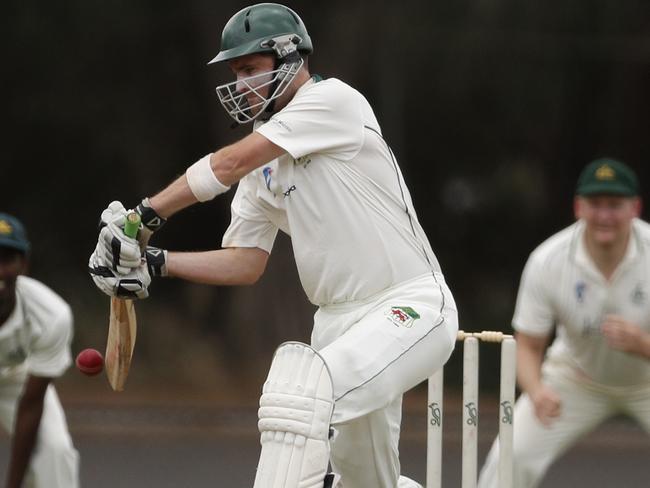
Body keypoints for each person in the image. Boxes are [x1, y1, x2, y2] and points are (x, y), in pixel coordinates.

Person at [87, 3, 458, 487]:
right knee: (368, 482)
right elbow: (245, 262)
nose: (240, 84)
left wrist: (142, 218)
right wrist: (156, 262)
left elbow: (225, 165)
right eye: (235, 72)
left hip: (410, 305)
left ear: (288, 58)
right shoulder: (264, 163)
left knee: (299, 396)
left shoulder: (333, 102)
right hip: (336, 327)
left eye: (248, 69)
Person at [478, 158, 650, 488]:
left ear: (635, 208)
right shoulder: (548, 260)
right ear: (578, 208)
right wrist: (537, 390)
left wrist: (641, 343)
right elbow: (528, 344)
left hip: (646, 380)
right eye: (595, 204)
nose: (604, 216)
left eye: (615, 205)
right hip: (575, 378)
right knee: (511, 456)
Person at [0, 213, 79, 488]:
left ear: (23, 264)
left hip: (16, 380)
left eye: (6, 259)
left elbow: (31, 406)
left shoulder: (51, 314)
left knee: (54, 454)